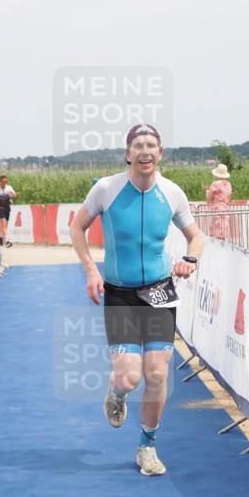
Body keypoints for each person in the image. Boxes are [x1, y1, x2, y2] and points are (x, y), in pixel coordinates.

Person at [69, 123, 204, 477]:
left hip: (159, 291)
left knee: (157, 374)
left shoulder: (172, 192)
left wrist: (190, 259)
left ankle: (147, 447)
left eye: (151, 145)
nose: (145, 151)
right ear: (128, 154)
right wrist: (91, 271)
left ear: (160, 153)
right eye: (138, 145)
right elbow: (77, 227)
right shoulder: (106, 189)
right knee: (129, 377)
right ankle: (117, 392)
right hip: (120, 294)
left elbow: (195, 236)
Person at [204, 163, 232, 240]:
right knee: (223, 234)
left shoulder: (215, 184)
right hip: (225, 210)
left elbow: (208, 198)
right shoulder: (229, 184)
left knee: (215, 236)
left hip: (216, 211)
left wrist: (207, 191)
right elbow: (229, 197)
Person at [0, 175, 16, 246]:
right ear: (0, 182)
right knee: (4, 223)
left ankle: (0, 236)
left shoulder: (9, 188)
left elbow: (14, 195)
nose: (5, 183)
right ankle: (7, 240)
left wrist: (11, 196)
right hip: (0, 207)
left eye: (6, 181)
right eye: (4, 181)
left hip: (7, 207)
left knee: (6, 225)